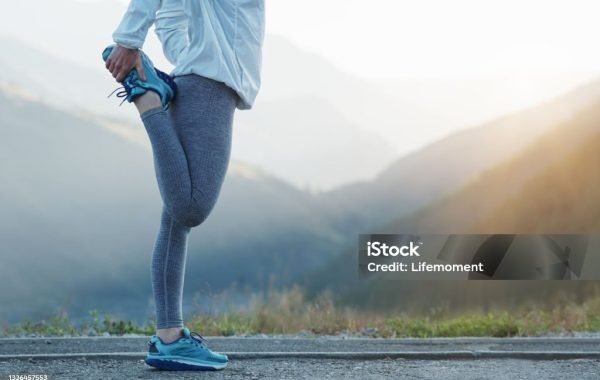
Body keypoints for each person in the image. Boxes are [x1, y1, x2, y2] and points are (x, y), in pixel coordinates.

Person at [102, 0, 265, 371]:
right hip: (209, 88)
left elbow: (173, 12)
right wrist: (128, 38)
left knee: (175, 221)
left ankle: (169, 338)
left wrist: (188, 55)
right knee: (190, 208)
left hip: (196, 80)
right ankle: (148, 100)